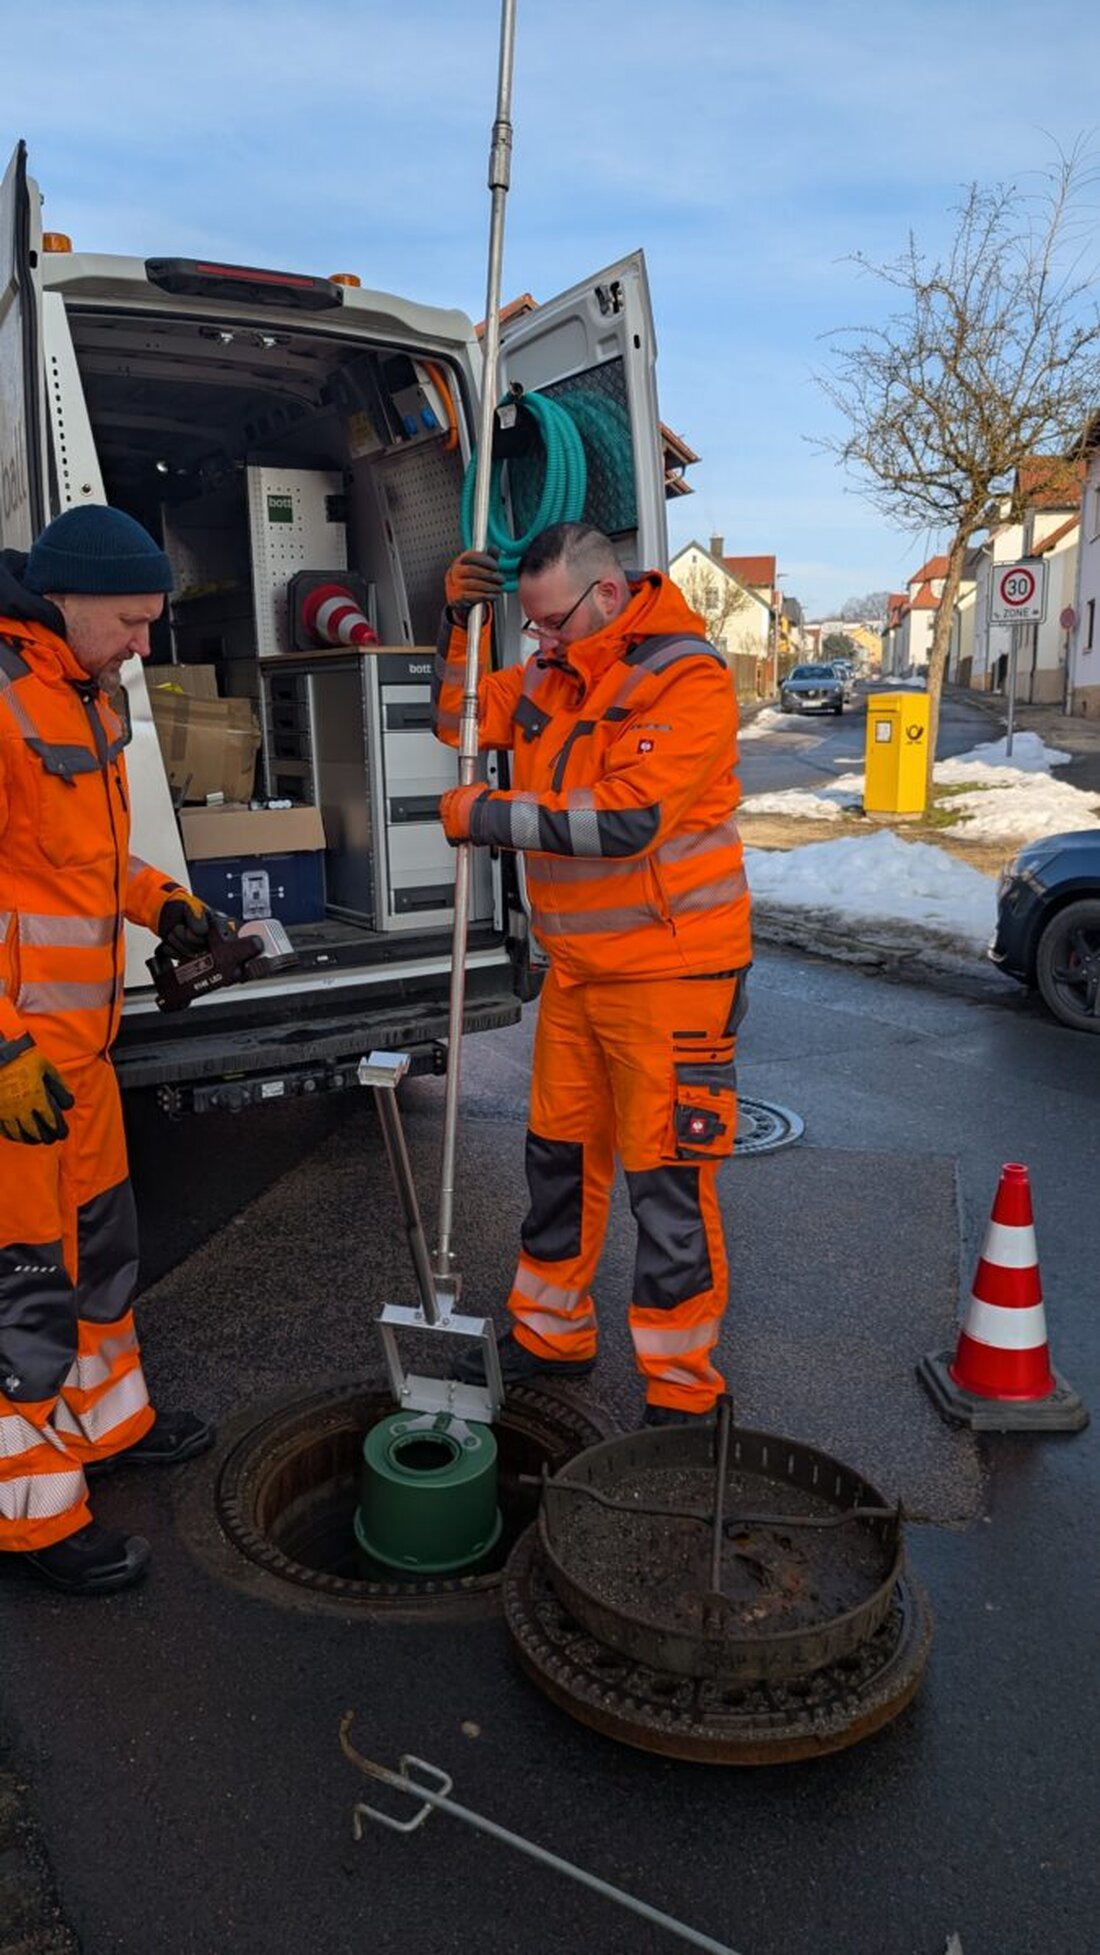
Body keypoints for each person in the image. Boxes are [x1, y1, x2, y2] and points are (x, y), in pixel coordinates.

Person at [434, 521, 751, 1424]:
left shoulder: (684, 676)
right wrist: (460, 620)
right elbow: (455, 716)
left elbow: (625, 821)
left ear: (606, 594)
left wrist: (486, 813)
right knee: (560, 1157)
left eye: (551, 624)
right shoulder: (547, 670)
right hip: (578, 970)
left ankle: (685, 1387)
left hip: (673, 972)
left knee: (667, 1179)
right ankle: (551, 1329)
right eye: (529, 627)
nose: (540, 642)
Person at [0, 505, 217, 1595]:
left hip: (80, 1058)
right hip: (17, 1076)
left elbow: (85, 864)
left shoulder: (82, 694)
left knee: (101, 1251)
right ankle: (31, 1514)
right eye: (132, 622)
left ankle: (108, 1423)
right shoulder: (3, 699)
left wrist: (164, 901)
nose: (145, 643)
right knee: (27, 1286)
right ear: (70, 600)